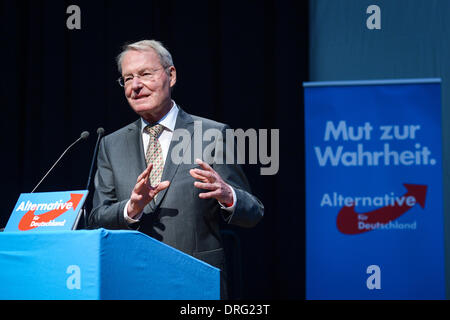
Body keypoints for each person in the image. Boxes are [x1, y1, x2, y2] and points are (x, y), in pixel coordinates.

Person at [88, 40, 264, 298]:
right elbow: (95, 219)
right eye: (128, 78)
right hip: (130, 282)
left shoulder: (212, 134)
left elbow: (254, 212)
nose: (136, 86)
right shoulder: (111, 144)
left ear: (171, 75)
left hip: (195, 283)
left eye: (145, 74)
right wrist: (131, 209)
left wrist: (229, 196)